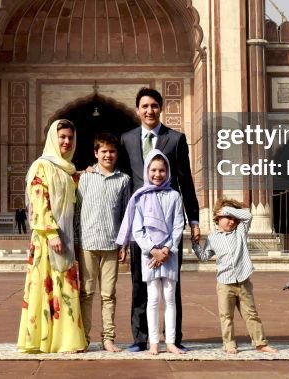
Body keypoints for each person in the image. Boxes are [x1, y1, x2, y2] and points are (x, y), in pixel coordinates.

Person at [117, 87, 200, 353]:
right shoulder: (128, 139)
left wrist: (194, 219)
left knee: (171, 285)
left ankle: (173, 338)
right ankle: (141, 337)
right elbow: (122, 180)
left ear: (160, 108)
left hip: (167, 219)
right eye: (145, 106)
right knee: (139, 282)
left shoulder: (175, 139)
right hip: (141, 222)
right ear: (138, 110)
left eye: (154, 105)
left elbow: (185, 182)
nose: (149, 110)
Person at [16, 119, 87, 353]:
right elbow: (39, 200)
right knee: (47, 286)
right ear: (52, 139)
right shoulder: (41, 166)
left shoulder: (67, 170)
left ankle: (65, 340)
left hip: (64, 237)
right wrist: (51, 232)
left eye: (70, 137)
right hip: (49, 238)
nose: (66, 141)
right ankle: (43, 340)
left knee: (65, 287)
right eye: (62, 137)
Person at [117, 150, 184, 355]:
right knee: (153, 298)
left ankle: (170, 341)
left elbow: (178, 226)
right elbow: (138, 230)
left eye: (162, 170)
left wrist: (165, 250)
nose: (157, 174)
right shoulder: (141, 197)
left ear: (168, 171)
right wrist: (154, 250)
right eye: (153, 170)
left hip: (169, 254)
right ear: (147, 171)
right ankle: (154, 341)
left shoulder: (174, 196)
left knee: (170, 298)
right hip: (150, 255)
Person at [193, 198, 277, 355]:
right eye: (227, 218)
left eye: (234, 219)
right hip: (225, 282)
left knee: (251, 314)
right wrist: (195, 245)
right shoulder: (212, 238)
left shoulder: (240, 231)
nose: (231, 222)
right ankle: (229, 343)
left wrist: (228, 210)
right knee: (226, 315)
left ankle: (260, 343)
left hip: (243, 280)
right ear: (217, 218)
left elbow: (248, 216)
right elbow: (204, 257)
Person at [74, 133, 131, 352]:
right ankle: (84, 338)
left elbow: (126, 214)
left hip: (110, 244)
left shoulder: (123, 180)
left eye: (112, 151)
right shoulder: (85, 178)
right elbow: (77, 212)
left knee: (109, 295)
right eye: (104, 151)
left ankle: (108, 338)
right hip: (88, 243)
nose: (108, 155)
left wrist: (124, 244)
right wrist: (77, 242)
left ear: (117, 154)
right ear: (96, 153)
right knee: (86, 293)